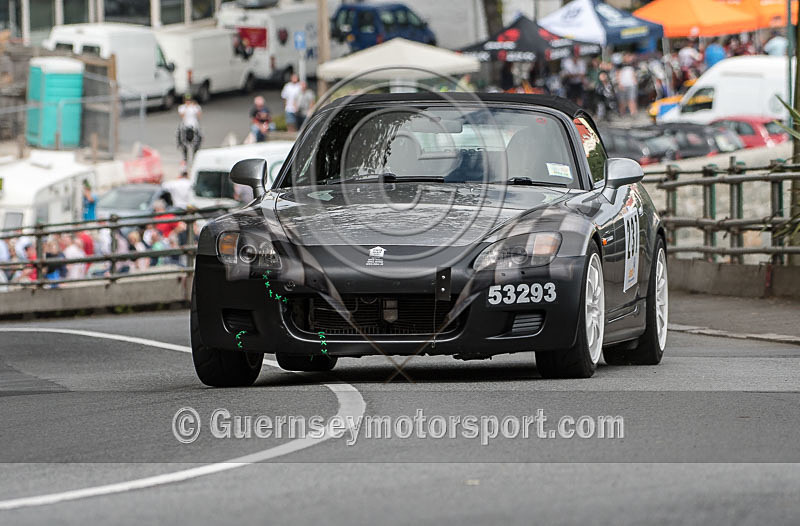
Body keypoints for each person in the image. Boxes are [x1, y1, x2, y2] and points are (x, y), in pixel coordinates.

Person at [176, 94, 202, 165]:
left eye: (189, 100)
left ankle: (195, 159)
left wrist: (194, 107)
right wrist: (187, 108)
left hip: (194, 127)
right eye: (186, 100)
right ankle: (185, 160)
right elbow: (182, 115)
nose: (188, 101)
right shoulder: (182, 107)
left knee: (196, 143)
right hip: (185, 127)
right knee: (184, 145)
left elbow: (199, 116)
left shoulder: (195, 107)